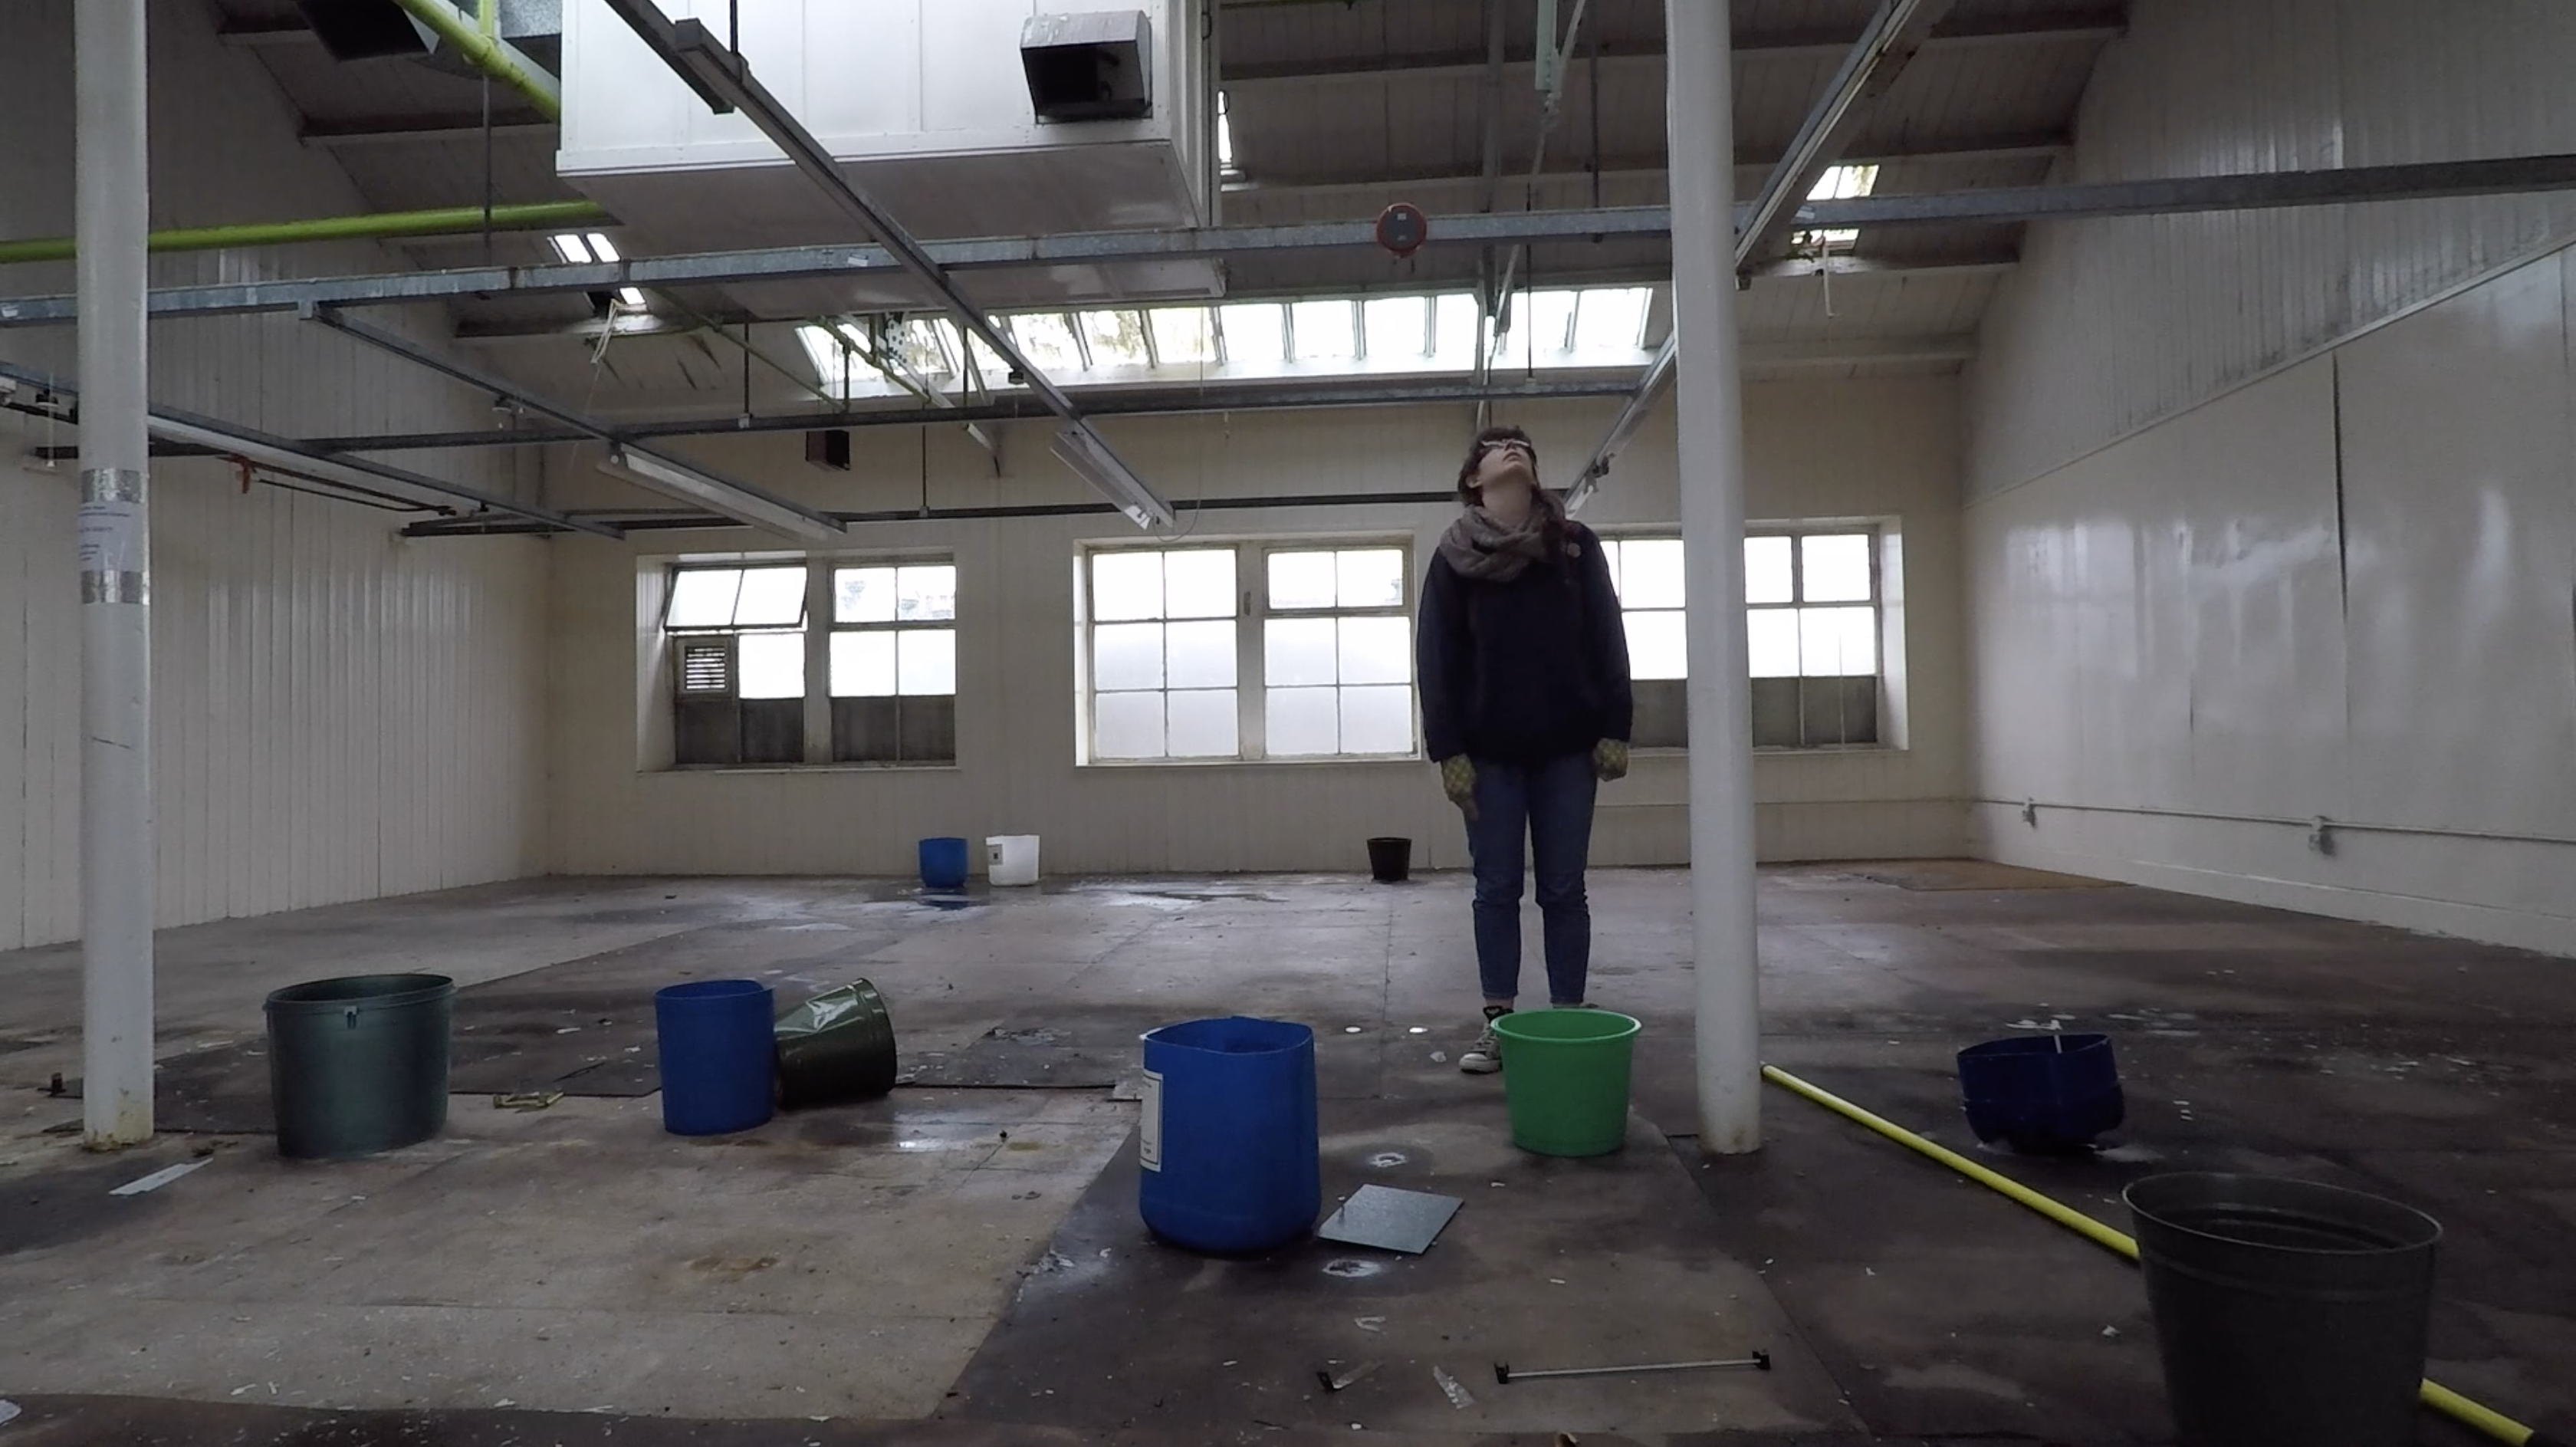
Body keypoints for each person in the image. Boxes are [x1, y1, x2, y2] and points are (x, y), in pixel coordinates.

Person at [1415, 425, 1632, 1075]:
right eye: (1496, 445)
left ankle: (1567, 1020)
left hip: (1567, 748)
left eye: (1523, 446)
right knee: (1496, 887)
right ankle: (1499, 1024)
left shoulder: (1572, 546)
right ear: (1473, 478)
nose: (1513, 447)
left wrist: (1616, 725)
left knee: (1564, 887)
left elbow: (1608, 634)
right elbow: (1436, 657)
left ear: (1535, 472)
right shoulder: (1454, 557)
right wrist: (1448, 749)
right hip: (1488, 753)